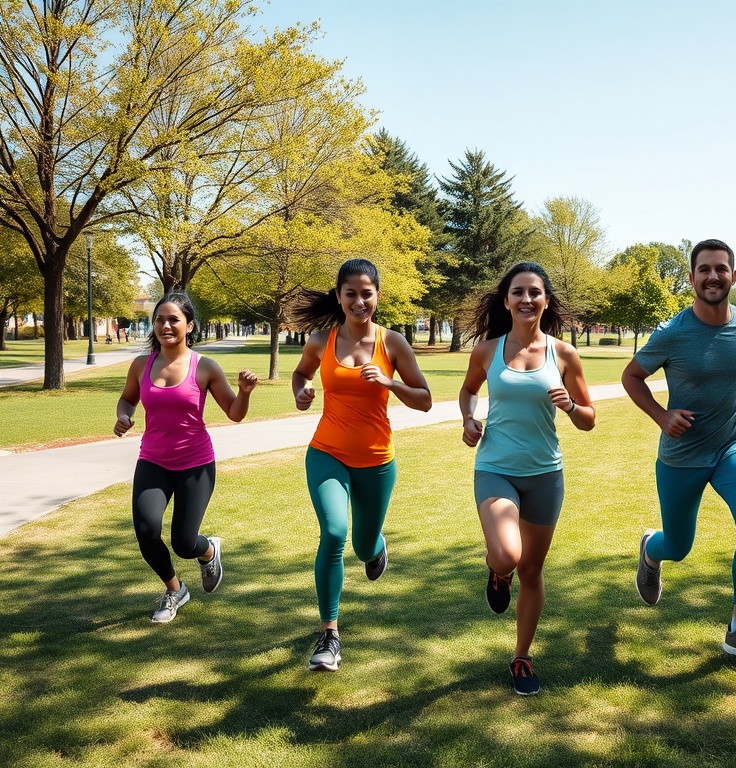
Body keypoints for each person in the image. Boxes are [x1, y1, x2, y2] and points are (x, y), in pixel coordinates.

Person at [621, 239, 736, 667]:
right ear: (692, 278)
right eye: (705, 270)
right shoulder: (672, 333)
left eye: (721, 269)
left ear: (733, 274)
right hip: (681, 455)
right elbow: (632, 376)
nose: (713, 276)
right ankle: (650, 551)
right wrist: (661, 415)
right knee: (678, 545)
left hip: (733, 445)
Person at [459, 262, 596, 695]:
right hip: (495, 468)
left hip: (545, 475)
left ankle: (521, 657)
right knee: (507, 554)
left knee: (533, 570)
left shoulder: (564, 354)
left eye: (535, 292)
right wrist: (468, 418)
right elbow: (468, 390)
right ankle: (497, 572)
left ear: (546, 300)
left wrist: (571, 407)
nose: (526, 299)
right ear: (506, 300)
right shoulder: (487, 350)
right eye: (518, 292)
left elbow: (589, 419)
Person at [290, 258, 432, 672]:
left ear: (377, 296)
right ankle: (329, 634)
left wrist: (390, 383)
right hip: (326, 453)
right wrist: (302, 391)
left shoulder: (393, 344)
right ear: (338, 297)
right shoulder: (321, 340)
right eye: (350, 293)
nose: (358, 301)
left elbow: (424, 400)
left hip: (376, 460)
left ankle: (376, 548)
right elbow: (300, 375)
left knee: (362, 545)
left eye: (366, 293)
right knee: (333, 533)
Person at [114, 291, 257, 623]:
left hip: (195, 465)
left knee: (183, 542)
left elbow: (234, 413)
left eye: (174, 319)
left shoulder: (204, 367)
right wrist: (123, 416)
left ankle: (208, 551)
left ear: (189, 325)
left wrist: (246, 393)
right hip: (152, 461)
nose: (165, 325)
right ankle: (174, 589)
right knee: (147, 530)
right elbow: (127, 400)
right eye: (160, 319)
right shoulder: (141, 365)